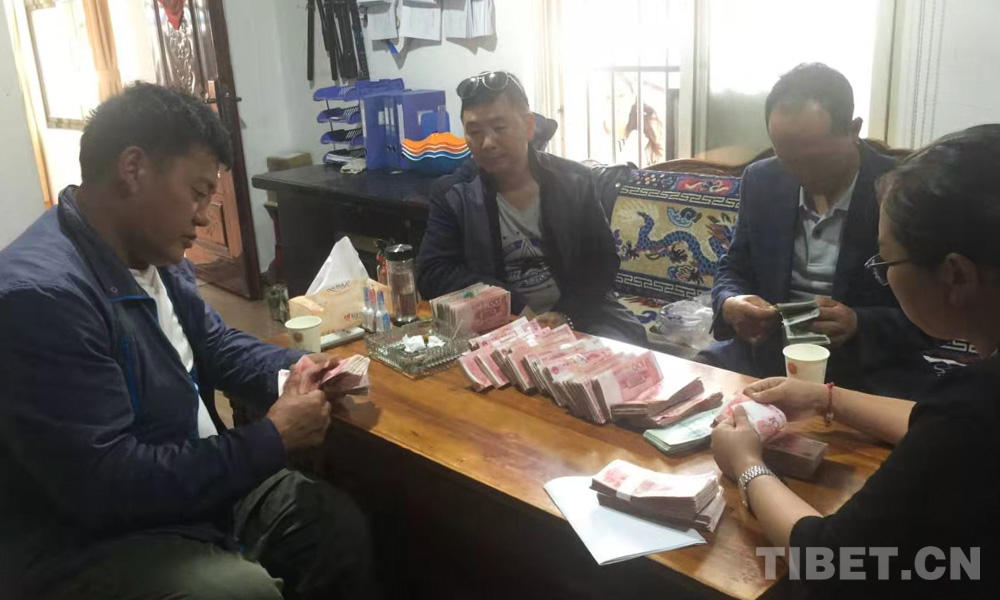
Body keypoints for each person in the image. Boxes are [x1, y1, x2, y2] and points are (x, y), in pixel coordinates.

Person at [0, 84, 372, 600]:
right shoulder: (42, 297)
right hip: (92, 536)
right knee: (238, 592)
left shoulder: (152, 253)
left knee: (332, 524)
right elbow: (106, 485)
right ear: (133, 169)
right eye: (197, 192)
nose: (203, 216)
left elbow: (213, 346)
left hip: (189, 482)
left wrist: (302, 366)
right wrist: (271, 438)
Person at [712, 124, 1000, 598]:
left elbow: (829, 560)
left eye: (885, 264)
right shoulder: (968, 408)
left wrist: (746, 464)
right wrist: (825, 398)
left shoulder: (976, 401)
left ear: (956, 275)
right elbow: (940, 424)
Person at [702, 63, 933, 397]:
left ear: (853, 130)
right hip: (769, 353)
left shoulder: (902, 190)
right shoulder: (763, 180)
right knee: (689, 390)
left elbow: (934, 318)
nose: (798, 173)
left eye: (813, 159)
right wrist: (730, 302)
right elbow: (734, 267)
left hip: (869, 365)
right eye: (785, 156)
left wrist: (859, 323)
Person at [416, 71, 646, 345]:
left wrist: (566, 314)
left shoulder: (574, 181)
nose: (487, 143)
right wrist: (509, 302)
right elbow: (432, 273)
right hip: (500, 325)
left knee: (624, 354)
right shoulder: (454, 194)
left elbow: (602, 261)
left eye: (499, 128)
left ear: (528, 126)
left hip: (583, 317)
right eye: (475, 132)